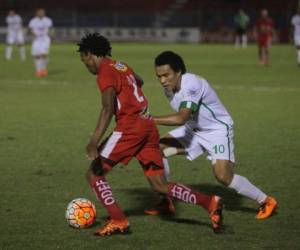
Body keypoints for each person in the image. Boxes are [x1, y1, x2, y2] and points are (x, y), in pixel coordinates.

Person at [77, 33, 224, 236]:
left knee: (93, 173)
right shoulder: (120, 65)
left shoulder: (104, 71)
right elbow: (139, 80)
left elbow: (107, 108)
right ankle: (209, 202)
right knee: (159, 185)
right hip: (147, 127)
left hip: (130, 128)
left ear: (90, 54)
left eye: (85, 61)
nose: (87, 66)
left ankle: (118, 220)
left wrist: (93, 141)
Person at [150, 51, 277, 221]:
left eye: (166, 75)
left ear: (179, 71)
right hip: (193, 130)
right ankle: (165, 200)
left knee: (223, 176)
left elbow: (181, 117)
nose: (163, 81)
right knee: (156, 150)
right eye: (159, 76)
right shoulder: (170, 88)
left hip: (216, 131)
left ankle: (266, 201)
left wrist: (148, 119)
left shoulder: (192, 84)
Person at [28, 8, 53, 77]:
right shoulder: (33, 21)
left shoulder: (48, 20)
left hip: (45, 39)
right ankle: (38, 70)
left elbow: (50, 29)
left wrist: (50, 35)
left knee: (43, 55)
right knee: (36, 56)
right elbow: (29, 30)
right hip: (36, 40)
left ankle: (44, 70)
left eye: (42, 12)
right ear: (37, 13)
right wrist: (32, 34)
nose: (41, 13)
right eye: (40, 12)